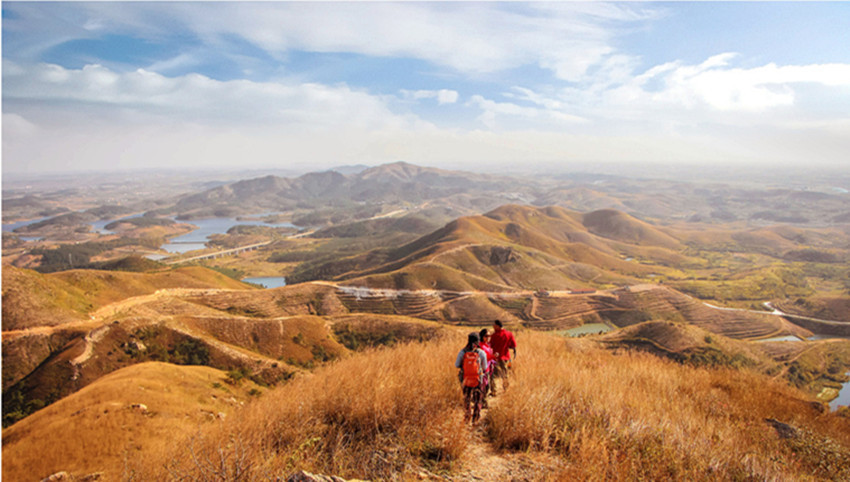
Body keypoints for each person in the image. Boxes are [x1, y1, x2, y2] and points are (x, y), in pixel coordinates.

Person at [455, 332, 487, 423]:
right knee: (478, 399)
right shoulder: (481, 352)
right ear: (478, 341)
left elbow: (457, 365)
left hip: (465, 379)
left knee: (467, 398)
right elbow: (484, 367)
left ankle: (467, 416)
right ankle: (475, 418)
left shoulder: (462, 352)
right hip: (478, 379)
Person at [489, 320, 516, 396]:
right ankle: (506, 389)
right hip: (506, 357)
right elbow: (513, 345)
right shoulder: (509, 334)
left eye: (494, 325)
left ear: (498, 326)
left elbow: (490, 346)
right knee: (505, 373)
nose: (493, 327)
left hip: (495, 358)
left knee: (493, 374)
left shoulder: (494, 336)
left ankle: (494, 391)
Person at [478, 328, 497, 404]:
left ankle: (483, 401)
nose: (488, 337)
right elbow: (484, 358)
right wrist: (492, 356)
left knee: (487, 385)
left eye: (489, 336)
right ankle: (482, 402)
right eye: (486, 336)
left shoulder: (487, 345)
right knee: (484, 386)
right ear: (482, 336)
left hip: (489, 367)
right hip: (483, 369)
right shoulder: (480, 346)